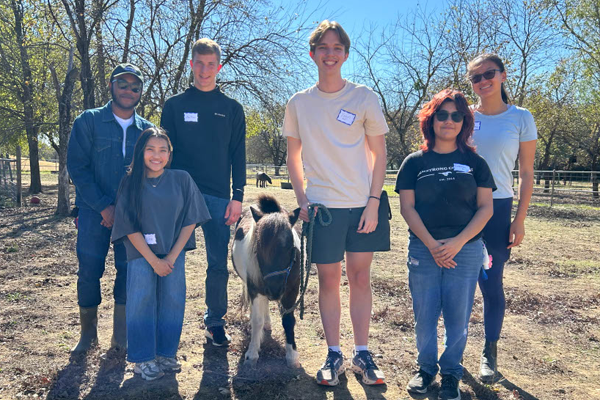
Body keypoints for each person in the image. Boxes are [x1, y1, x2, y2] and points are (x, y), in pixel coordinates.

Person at [283, 20, 390, 386]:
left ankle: (362, 353)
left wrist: (373, 202)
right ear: (312, 54)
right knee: (329, 281)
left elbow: (379, 154)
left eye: (337, 48)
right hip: (323, 210)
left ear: (346, 54)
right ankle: (334, 354)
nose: (330, 54)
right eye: (323, 48)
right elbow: (293, 157)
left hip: (362, 206)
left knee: (360, 278)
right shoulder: (298, 103)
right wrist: (302, 199)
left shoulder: (364, 97)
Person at [396, 89, 495, 400]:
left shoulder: (476, 163)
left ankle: (451, 373)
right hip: (423, 251)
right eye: (442, 115)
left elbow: (486, 209)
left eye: (456, 115)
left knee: (458, 316)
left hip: (464, 251)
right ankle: (425, 369)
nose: (449, 121)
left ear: (464, 121)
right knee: (424, 314)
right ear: (431, 120)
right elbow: (407, 208)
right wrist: (432, 245)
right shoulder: (414, 162)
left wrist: (456, 243)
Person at [160, 38, 246, 346]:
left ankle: (215, 322)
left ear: (219, 67)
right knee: (172, 257)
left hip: (219, 198)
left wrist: (237, 196)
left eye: (211, 65)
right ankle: (167, 321)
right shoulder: (174, 106)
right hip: (179, 195)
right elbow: (162, 153)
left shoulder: (232, 110)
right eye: (200, 63)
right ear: (191, 65)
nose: (205, 70)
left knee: (217, 263)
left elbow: (238, 154)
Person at [111, 127, 210, 380]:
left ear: (169, 154)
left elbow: (190, 220)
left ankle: (166, 353)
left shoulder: (182, 179)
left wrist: (171, 257)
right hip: (141, 255)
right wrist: (153, 260)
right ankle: (142, 358)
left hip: (173, 254)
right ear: (141, 151)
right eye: (150, 149)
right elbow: (129, 227)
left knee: (173, 301)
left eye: (162, 150)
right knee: (141, 302)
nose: (157, 156)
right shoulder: (130, 183)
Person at [67, 63, 153, 353]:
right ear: (111, 86)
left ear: (141, 91)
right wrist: (104, 207)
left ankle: (121, 337)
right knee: (89, 271)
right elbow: (78, 168)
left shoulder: (146, 131)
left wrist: (126, 210)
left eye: (135, 86)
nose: (129, 90)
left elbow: (150, 173)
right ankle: (87, 336)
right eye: (123, 84)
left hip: (131, 218)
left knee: (128, 272)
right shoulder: (88, 121)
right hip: (93, 215)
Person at [466, 54, 537, 382]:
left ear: (503, 75)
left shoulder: (521, 118)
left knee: (490, 282)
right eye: (475, 77)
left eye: (489, 74)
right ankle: (454, 346)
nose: (483, 81)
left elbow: (525, 171)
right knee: (459, 281)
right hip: (462, 209)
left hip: (497, 209)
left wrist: (519, 220)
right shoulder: (465, 116)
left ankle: (489, 352)